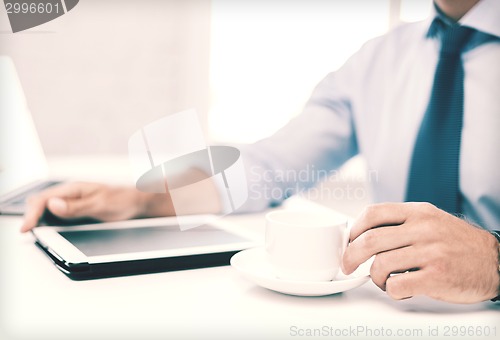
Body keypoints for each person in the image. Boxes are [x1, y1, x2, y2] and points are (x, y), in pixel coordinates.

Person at [21, 0, 499, 304]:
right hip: (399, 322)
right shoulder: (378, 59)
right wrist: (143, 200)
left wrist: (495, 261)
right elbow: (271, 167)